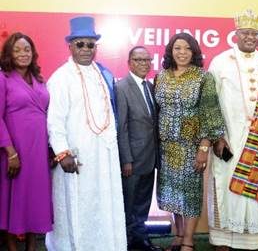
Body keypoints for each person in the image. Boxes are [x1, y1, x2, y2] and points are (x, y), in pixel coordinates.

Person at [45, 16, 126, 251]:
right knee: (78, 206)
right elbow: (54, 121)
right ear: (70, 46)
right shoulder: (61, 78)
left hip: (105, 156)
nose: (86, 49)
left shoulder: (102, 74)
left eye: (91, 44)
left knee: (104, 205)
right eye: (80, 44)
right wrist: (62, 152)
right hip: (76, 156)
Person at [207, 9, 258, 250]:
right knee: (226, 184)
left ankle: (254, 239)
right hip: (228, 137)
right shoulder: (220, 61)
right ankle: (223, 240)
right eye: (245, 33)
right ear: (236, 34)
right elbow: (210, 101)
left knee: (256, 183)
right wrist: (217, 136)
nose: (250, 37)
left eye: (254, 33)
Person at [155, 32, 224, 251]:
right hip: (166, 145)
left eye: (187, 48)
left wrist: (204, 148)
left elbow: (210, 113)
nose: (182, 53)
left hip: (191, 145)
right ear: (170, 51)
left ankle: (188, 241)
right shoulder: (161, 75)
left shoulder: (203, 77)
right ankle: (178, 234)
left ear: (193, 52)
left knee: (190, 193)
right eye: (177, 48)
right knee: (172, 192)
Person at [0, 32, 52, 251]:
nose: (23, 54)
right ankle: (11, 247)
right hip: (14, 150)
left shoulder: (40, 80)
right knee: (11, 198)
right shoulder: (3, 78)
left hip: (38, 151)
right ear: (9, 53)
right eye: (18, 49)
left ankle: (31, 246)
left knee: (34, 199)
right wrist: (10, 152)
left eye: (27, 49)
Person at [116, 46, 162, 251]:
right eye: (139, 60)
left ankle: (140, 240)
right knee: (129, 203)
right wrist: (126, 159)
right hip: (132, 161)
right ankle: (124, 242)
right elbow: (122, 127)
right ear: (129, 63)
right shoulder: (122, 88)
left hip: (149, 158)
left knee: (143, 203)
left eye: (147, 60)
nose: (144, 64)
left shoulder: (151, 87)